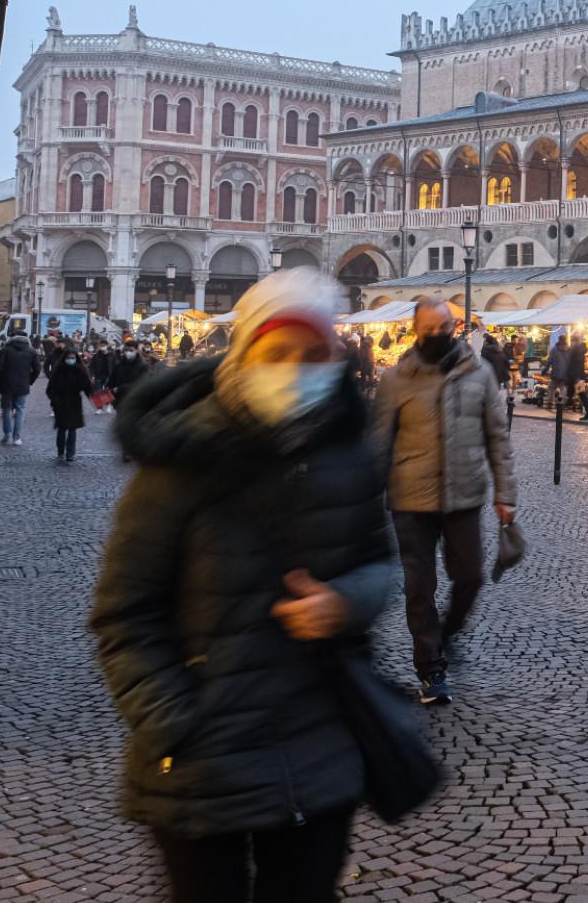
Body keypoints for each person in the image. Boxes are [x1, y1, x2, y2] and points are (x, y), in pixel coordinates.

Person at [90, 269, 397, 902]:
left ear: (337, 357)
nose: (295, 369)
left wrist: (345, 603)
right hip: (202, 760)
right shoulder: (178, 460)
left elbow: (379, 562)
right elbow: (124, 614)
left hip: (318, 744)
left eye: (313, 354)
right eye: (276, 352)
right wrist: (174, 722)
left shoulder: (349, 453)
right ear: (244, 353)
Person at [372, 296, 515, 705]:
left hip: (464, 494)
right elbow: (378, 443)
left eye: (443, 328)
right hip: (410, 498)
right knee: (420, 587)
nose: (436, 335)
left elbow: (498, 437)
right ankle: (431, 669)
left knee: (470, 575)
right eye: (428, 330)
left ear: (455, 327)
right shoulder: (396, 379)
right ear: (415, 331)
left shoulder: (480, 372)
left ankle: (448, 632)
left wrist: (506, 494)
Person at [46, 342, 95, 462]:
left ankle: (70, 453)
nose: (70, 360)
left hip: (74, 403)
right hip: (60, 402)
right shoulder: (58, 371)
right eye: (68, 358)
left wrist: (95, 398)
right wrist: (54, 400)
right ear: (64, 358)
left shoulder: (80, 371)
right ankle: (60, 452)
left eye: (73, 358)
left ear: (76, 359)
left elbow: (87, 387)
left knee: (72, 429)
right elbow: (50, 389)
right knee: (62, 429)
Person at [0, 331, 40, 445]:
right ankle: (16, 437)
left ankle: (7, 433)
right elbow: (37, 369)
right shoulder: (31, 351)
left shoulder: (5, 350)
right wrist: (30, 381)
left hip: (6, 384)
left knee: (6, 409)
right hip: (23, 384)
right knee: (20, 410)